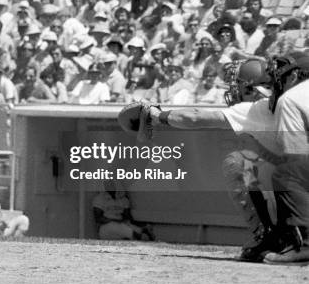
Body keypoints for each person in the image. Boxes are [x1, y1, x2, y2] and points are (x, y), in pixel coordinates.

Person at [121, 59, 285, 262]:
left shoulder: (258, 108)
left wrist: (157, 115)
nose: (234, 89)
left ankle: (267, 238)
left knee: (238, 162)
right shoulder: (288, 102)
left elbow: (195, 118)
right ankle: (289, 236)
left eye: (240, 84)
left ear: (253, 88)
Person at [262, 52, 309, 264]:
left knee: (287, 173)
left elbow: (295, 153)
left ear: (295, 75)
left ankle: (304, 244)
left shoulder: (291, 98)